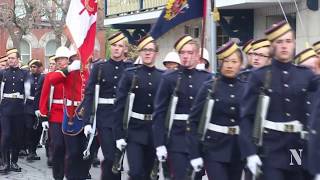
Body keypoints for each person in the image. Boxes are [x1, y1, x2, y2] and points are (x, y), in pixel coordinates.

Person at [240, 20, 319, 180]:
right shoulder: (259, 76)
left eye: (288, 41)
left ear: (294, 43)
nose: (284, 46)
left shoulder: (305, 75)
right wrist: (250, 153)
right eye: (279, 42)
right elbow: (246, 117)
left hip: (295, 148)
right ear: (272, 46)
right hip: (270, 147)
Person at [153, 35, 212, 179]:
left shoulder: (208, 79)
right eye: (182, 53)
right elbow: (159, 113)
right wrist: (159, 143)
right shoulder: (169, 78)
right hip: (177, 138)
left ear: (198, 55)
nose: (185, 56)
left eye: (190, 53)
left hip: (199, 138)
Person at [187, 40, 245, 180]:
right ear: (220, 64)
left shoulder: (246, 87)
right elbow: (193, 121)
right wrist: (195, 153)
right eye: (226, 61)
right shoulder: (209, 87)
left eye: (234, 61)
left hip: (238, 148)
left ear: (241, 64)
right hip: (214, 148)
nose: (230, 65)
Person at [83, 32, 132, 180]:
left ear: (124, 49)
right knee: (110, 156)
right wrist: (88, 121)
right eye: (114, 45)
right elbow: (90, 94)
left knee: (119, 159)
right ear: (110, 47)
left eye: (120, 46)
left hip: (124, 118)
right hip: (105, 117)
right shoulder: (99, 68)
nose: (117, 48)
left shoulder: (130, 69)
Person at [113, 35, 163, 179]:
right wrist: (119, 135)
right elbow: (119, 106)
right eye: (144, 50)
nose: (147, 53)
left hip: (153, 131)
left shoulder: (162, 77)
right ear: (140, 52)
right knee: (135, 172)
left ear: (156, 53)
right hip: (134, 129)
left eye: (151, 50)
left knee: (147, 173)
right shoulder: (130, 75)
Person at [47, 46, 90, 180]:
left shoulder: (87, 72)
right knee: (71, 152)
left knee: (85, 151)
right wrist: (69, 69)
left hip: (86, 115)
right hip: (71, 115)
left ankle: (81, 176)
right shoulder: (67, 72)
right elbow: (52, 80)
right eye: (75, 58)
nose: (78, 60)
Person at [0, 48, 31, 173]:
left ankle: (14, 162)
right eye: (8, 58)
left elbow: (28, 92)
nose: (10, 60)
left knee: (17, 137)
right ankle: (5, 163)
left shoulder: (25, 73)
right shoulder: (3, 73)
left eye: (12, 58)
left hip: (19, 109)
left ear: (18, 59)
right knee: (6, 135)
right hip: (5, 109)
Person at [38, 48, 68, 180]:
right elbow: (44, 96)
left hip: (72, 115)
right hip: (55, 115)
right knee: (58, 145)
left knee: (71, 148)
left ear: (68, 60)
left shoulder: (74, 74)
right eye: (58, 60)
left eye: (63, 59)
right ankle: (58, 176)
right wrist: (44, 116)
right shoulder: (51, 76)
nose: (60, 62)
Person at [25, 59, 44, 162]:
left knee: (38, 130)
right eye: (31, 67)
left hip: (40, 106)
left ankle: (33, 150)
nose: (33, 68)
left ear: (40, 68)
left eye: (35, 67)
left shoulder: (43, 77)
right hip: (28, 106)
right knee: (29, 128)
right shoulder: (27, 77)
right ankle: (29, 149)